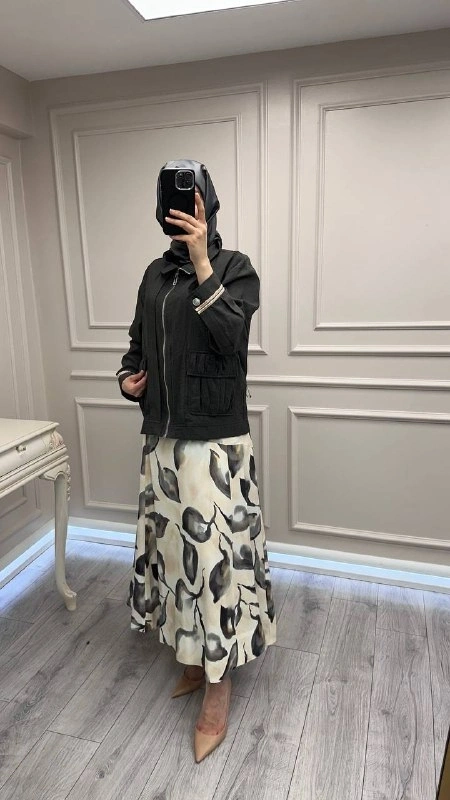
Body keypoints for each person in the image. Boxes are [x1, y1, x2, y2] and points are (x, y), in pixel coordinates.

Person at [116, 159, 276, 763]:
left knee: (213, 567)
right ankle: (191, 656)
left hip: (213, 445)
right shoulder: (154, 275)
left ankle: (219, 683)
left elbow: (231, 338)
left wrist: (205, 262)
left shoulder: (236, 268)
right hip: (162, 439)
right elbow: (137, 345)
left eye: (191, 197)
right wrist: (128, 379)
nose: (181, 207)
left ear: (209, 203)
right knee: (174, 559)